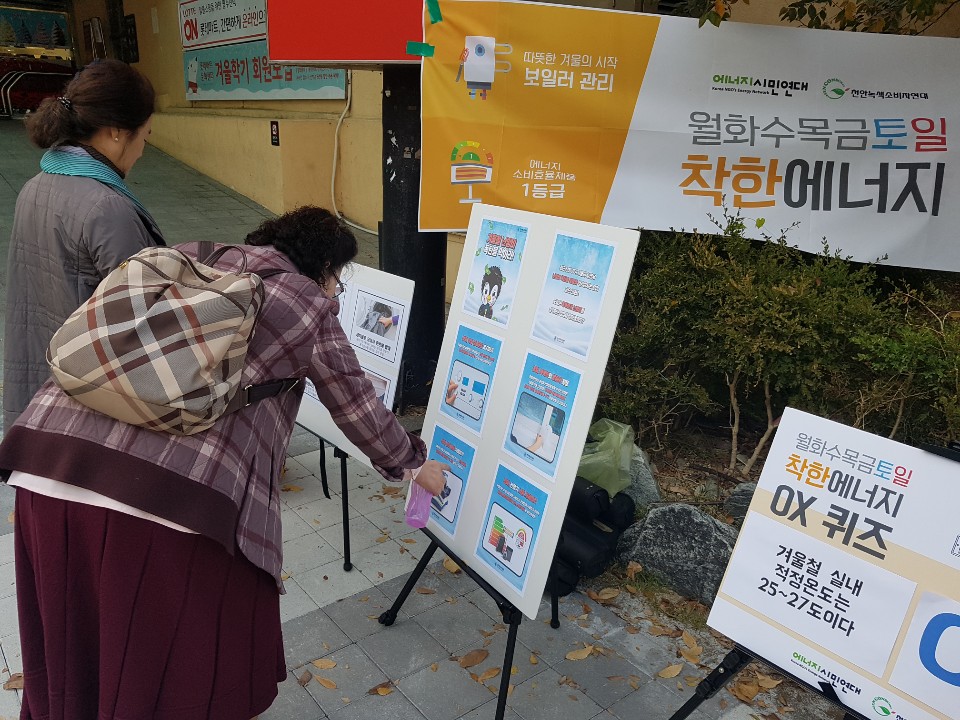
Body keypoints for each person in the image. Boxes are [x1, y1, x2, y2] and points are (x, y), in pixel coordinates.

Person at [0, 206, 448, 720]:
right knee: (167, 676)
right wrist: (413, 464)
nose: (336, 292)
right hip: (163, 504)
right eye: (338, 281)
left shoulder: (188, 256)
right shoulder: (306, 301)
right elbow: (355, 403)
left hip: (46, 466)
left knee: (71, 655)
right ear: (325, 269)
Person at [3, 58, 164, 431]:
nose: (142, 151)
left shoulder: (36, 185)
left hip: (43, 387)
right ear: (117, 133)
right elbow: (147, 321)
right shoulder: (108, 208)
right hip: (90, 406)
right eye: (145, 136)